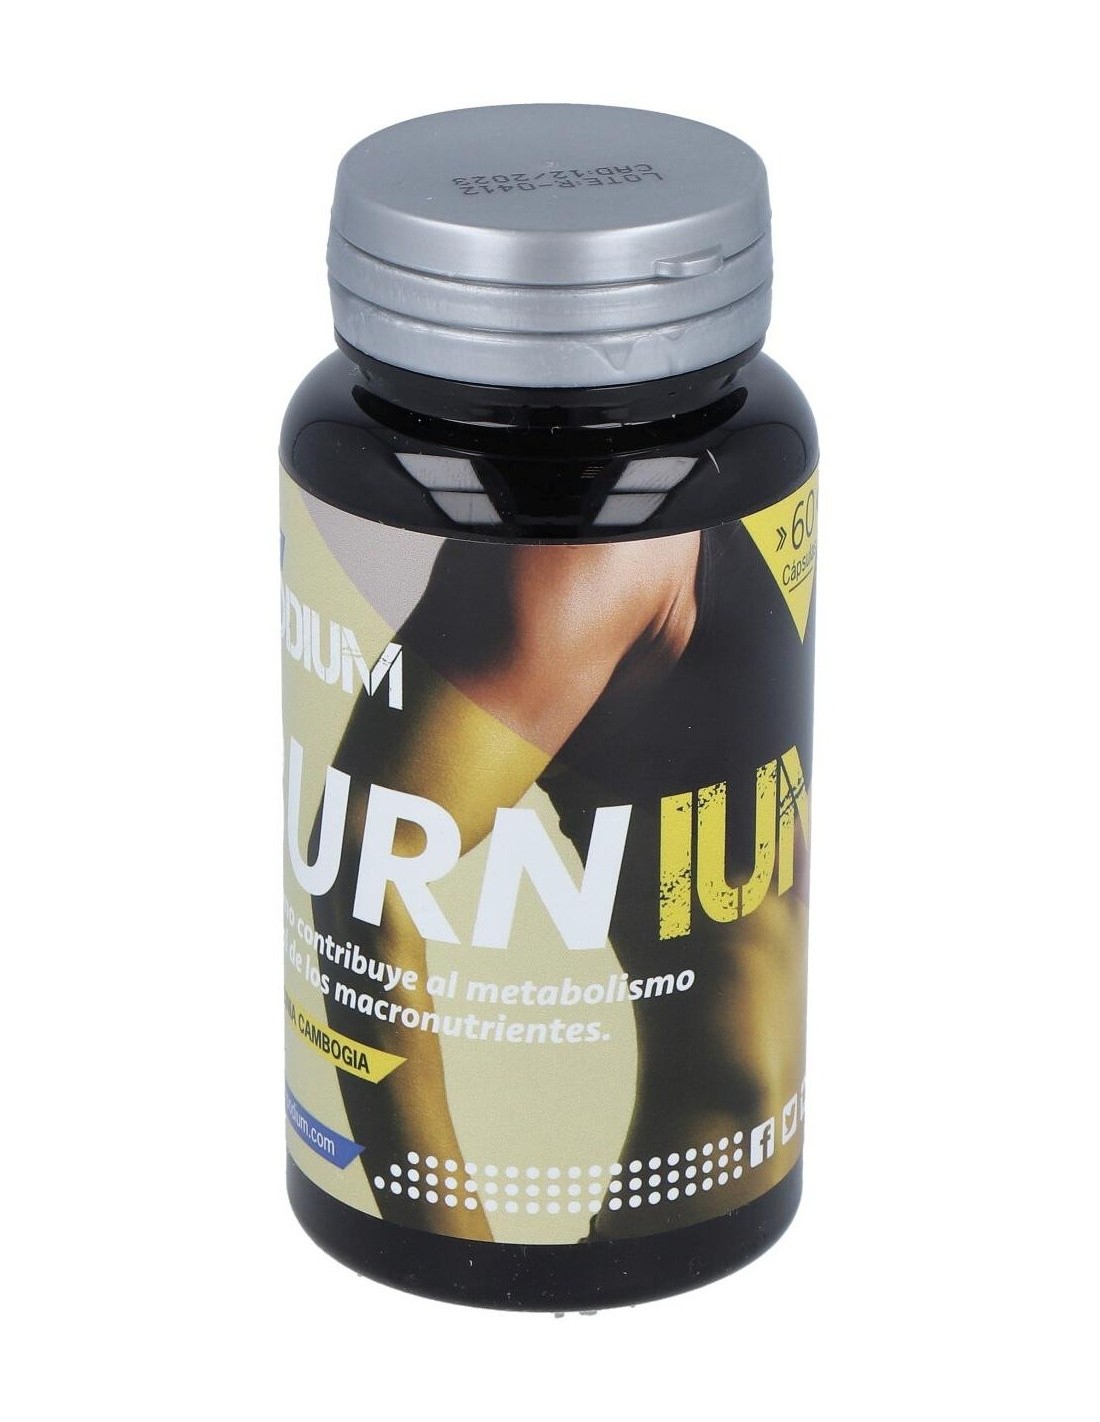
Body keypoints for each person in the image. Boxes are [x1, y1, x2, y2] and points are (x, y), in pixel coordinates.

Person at [312, 521, 812, 1241]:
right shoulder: (599, 555)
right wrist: (450, 1250)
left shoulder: (730, 505)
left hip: (750, 1209)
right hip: (673, 1232)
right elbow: (361, 857)